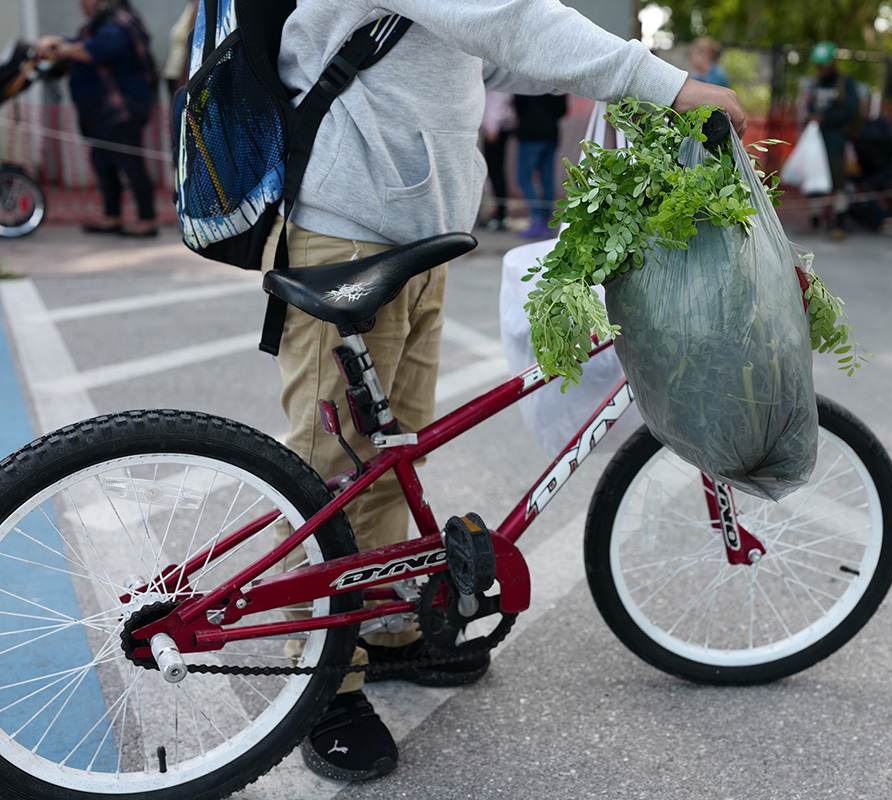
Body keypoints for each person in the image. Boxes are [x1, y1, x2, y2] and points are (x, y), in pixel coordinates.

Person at [265, 0, 746, 783]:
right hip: (347, 229)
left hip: (414, 235)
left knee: (391, 459)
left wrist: (617, 86)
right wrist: (662, 82)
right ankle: (320, 686)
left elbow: (493, 55)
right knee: (338, 471)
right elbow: (509, 17)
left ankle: (380, 628)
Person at [36, 0, 157, 237]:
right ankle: (112, 216)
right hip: (101, 111)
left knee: (130, 163)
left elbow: (96, 51)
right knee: (103, 162)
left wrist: (60, 47)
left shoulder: (118, 23)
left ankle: (147, 219)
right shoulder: (101, 24)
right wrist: (59, 42)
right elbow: (83, 44)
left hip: (121, 109)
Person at [806, 40, 859, 240]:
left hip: (836, 142)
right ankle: (814, 221)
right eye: (818, 64)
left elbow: (852, 111)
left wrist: (826, 118)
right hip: (816, 142)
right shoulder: (816, 82)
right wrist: (812, 116)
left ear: (833, 62)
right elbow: (810, 106)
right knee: (814, 182)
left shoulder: (845, 83)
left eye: (824, 64)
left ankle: (840, 225)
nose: (820, 68)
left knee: (838, 184)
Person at [513, 92, 568, 239]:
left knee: (523, 178)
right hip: (551, 133)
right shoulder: (558, 80)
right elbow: (562, 109)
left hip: (530, 133)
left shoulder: (529, 77)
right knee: (547, 178)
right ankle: (547, 222)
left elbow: (519, 103)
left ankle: (537, 219)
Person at [480, 91, 516, 230]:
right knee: (495, 170)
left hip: (495, 129)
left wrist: (492, 127)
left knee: (495, 170)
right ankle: (498, 213)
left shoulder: (499, 82)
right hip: (497, 127)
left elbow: (496, 102)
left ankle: (500, 215)